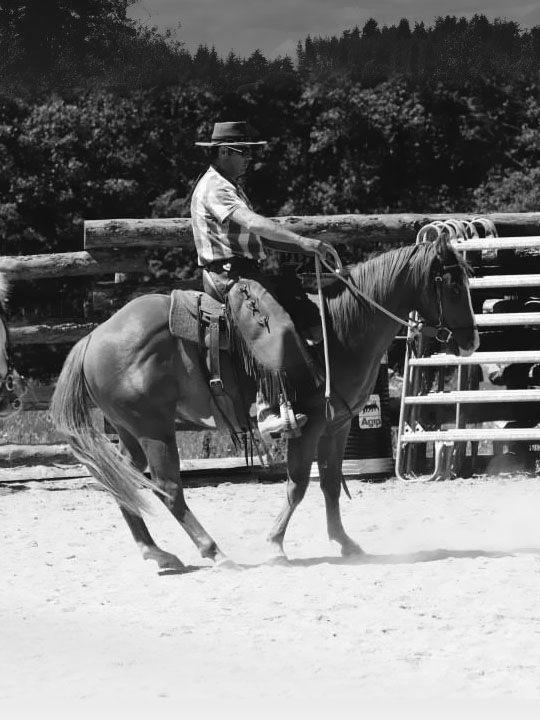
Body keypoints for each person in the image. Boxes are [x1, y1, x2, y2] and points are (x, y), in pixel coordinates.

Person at [190, 120, 337, 440]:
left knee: (303, 309)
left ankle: (300, 393)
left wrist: (300, 246)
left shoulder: (229, 184)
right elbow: (251, 222)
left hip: (244, 270)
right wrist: (301, 242)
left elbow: (257, 235)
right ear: (225, 152)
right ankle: (266, 408)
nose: (249, 158)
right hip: (227, 275)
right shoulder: (216, 186)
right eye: (244, 152)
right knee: (277, 325)